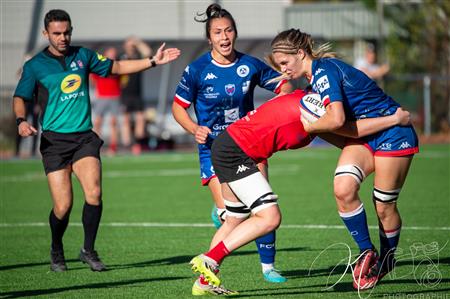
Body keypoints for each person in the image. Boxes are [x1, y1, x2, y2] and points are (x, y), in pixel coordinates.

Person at [189, 89, 411, 294]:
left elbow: (344, 138)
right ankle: (210, 259)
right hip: (234, 154)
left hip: (231, 148)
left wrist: (377, 151)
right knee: (270, 217)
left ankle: (204, 282)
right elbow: (350, 129)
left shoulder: (315, 108)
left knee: (234, 220)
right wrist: (394, 120)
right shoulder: (313, 102)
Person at [13, 9, 180, 272]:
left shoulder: (84, 55)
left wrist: (152, 62)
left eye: (66, 32)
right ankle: (57, 249)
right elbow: (20, 96)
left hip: (84, 138)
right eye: (56, 33)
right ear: (46, 33)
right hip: (55, 142)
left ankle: (88, 250)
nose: (63, 37)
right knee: (63, 205)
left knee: (94, 193)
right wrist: (21, 121)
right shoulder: (35, 66)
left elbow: (116, 67)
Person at [268, 29, 418, 290]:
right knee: (343, 188)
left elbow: (336, 120)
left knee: (383, 205)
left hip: (393, 134)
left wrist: (311, 128)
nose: (283, 70)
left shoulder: (324, 71)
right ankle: (366, 252)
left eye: (284, 63)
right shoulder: (313, 82)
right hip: (366, 135)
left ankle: (388, 260)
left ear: (300, 54)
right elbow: (341, 129)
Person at [172, 3, 292, 295]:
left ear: (235, 33)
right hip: (213, 149)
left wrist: (273, 112)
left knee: (261, 204)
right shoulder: (197, 69)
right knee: (233, 215)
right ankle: (207, 276)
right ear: (209, 38)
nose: (224, 37)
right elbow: (178, 107)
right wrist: (193, 128)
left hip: (249, 144)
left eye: (228, 30)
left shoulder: (249, 65)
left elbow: (283, 87)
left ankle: (267, 266)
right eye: (217, 32)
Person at [120, 36, 153, 155]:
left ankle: (138, 143)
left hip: (137, 94)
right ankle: (127, 144)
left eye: (132, 45)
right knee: (126, 120)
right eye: (129, 45)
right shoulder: (122, 57)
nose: (131, 47)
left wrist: (137, 42)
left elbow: (148, 53)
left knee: (140, 118)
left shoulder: (138, 57)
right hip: (124, 94)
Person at [91, 46, 121, 155]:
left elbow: (122, 79)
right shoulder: (100, 65)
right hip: (102, 96)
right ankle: (95, 146)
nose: (113, 55)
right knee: (98, 121)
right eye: (111, 53)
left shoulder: (118, 65)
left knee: (113, 122)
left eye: (114, 53)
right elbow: (93, 77)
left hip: (115, 96)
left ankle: (113, 147)